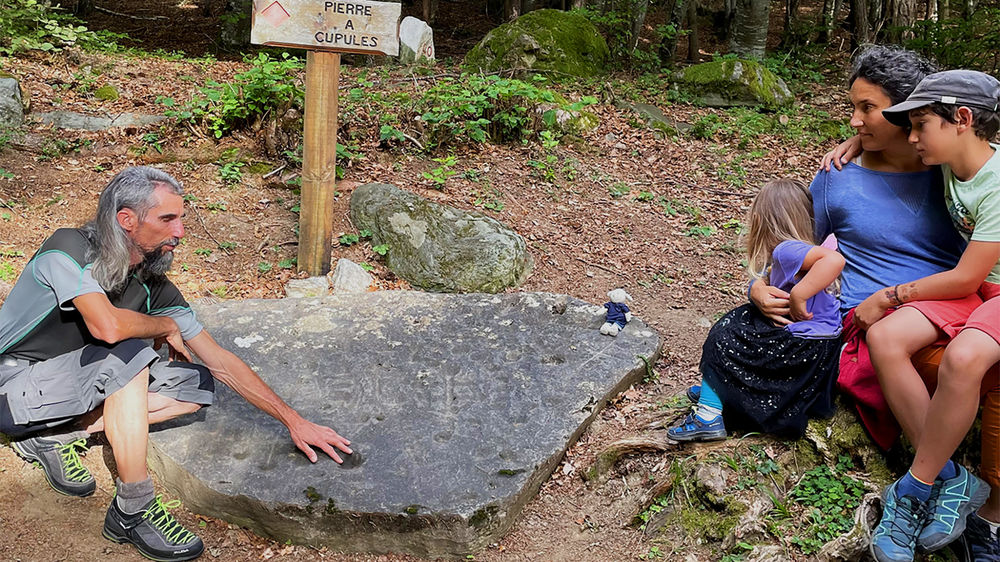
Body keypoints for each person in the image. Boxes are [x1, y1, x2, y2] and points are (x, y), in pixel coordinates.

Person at [0, 166, 353, 562]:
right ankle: (133, 509)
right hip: (12, 387)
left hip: (70, 390)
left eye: (181, 218)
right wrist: (164, 325)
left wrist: (294, 420)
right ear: (127, 220)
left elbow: (220, 361)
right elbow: (108, 327)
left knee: (194, 384)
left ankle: (54, 434)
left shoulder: (153, 286)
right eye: (167, 219)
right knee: (129, 352)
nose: (180, 231)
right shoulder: (68, 248)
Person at [862, 70, 1000, 562]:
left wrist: (891, 295)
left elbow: (964, 278)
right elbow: (887, 140)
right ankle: (950, 479)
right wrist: (852, 143)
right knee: (885, 339)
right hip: (982, 289)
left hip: (982, 287)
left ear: (962, 119)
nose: (913, 137)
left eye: (921, 125)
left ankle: (915, 488)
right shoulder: (948, 160)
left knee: (964, 356)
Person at [668, 179, 845, 442]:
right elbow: (768, 277)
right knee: (745, 321)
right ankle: (718, 390)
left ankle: (707, 416)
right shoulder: (799, 251)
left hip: (802, 346)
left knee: (725, 334)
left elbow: (835, 260)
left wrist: (799, 294)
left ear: (761, 220)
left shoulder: (787, 250)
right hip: (820, 350)